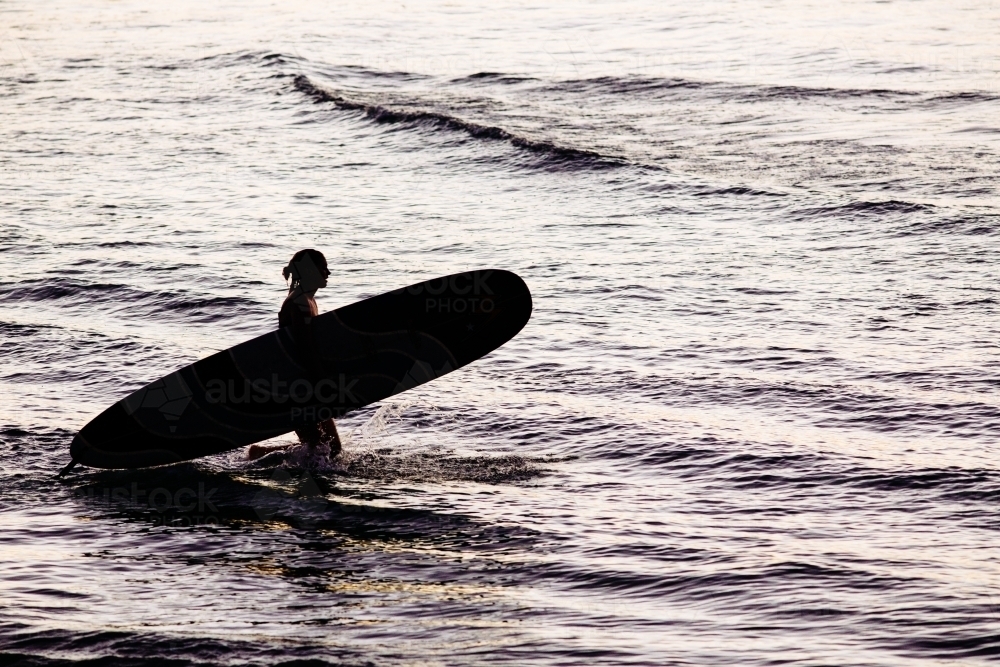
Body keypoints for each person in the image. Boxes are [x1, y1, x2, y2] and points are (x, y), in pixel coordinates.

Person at [247, 249, 343, 461]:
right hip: (296, 387)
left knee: (330, 449)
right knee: (319, 450)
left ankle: (259, 453)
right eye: (322, 268)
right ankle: (259, 455)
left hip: (306, 383)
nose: (328, 272)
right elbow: (304, 350)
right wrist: (323, 385)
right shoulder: (299, 303)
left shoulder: (307, 300)